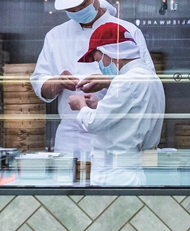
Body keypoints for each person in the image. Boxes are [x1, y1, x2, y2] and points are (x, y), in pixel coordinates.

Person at [30, 0, 152, 122]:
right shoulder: (55, 36)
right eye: (70, 9)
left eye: (82, 5)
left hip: (113, 126)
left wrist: (109, 82)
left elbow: (147, 83)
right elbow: (40, 84)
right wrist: (57, 83)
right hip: (70, 132)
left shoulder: (127, 31)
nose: (77, 11)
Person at [62, 27, 164, 186]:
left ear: (109, 53)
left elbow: (93, 123)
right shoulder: (151, 78)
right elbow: (130, 116)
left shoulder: (124, 81)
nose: (100, 66)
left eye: (98, 60)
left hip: (114, 177)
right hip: (133, 172)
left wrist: (81, 106)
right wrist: (98, 105)